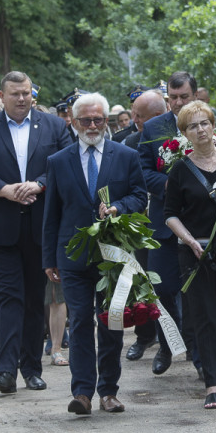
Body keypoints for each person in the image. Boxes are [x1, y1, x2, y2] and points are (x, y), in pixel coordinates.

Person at [0, 71, 67, 394]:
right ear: (2, 97)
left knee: (36, 300)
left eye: (26, 93)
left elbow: (64, 164)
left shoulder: (54, 126)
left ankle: (31, 369)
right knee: (7, 297)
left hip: (40, 225)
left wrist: (39, 183)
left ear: (32, 94)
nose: (21, 99)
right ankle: (5, 370)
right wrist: (4, 189)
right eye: (14, 94)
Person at [43, 93, 147, 416]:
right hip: (72, 257)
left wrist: (119, 207)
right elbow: (51, 214)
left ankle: (109, 391)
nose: (92, 125)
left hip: (112, 257)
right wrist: (49, 259)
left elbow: (140, 196)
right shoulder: (58, 161)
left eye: (98, 119)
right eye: (85, 120)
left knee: (111, 322)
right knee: (81, 323)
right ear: (73, 123)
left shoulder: (126, 156)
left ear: (107, 121)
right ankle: (83, 392)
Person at [163, 101, 216, 410]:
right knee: (205, 316)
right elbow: (169, 214)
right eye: (192, 126)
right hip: (194, 252)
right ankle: (211, 383)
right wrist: (188, 241)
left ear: (214, 125)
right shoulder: (181, 169)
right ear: (184, 134)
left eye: (204, 123)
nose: (200, 130)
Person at [136, 70, 198, 376]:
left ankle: (200, 355)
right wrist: (170, 185)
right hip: (162, 223)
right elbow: (142, 170)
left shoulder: (206, 123)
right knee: (161, 289)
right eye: (172, 98)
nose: (177, 102)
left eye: (183, 97)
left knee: (197, 291)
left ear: (195, 96)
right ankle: (167, 344)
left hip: (199, 223)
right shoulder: (153, 128)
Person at [123, 89, 173, 362]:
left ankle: (183, 339)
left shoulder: (181, 133)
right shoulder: (130, 142)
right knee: (143, 281)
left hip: (176, 220)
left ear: (157, 116)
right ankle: (144, 337)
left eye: (138, 117)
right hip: (141, 226)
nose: (134, 121)